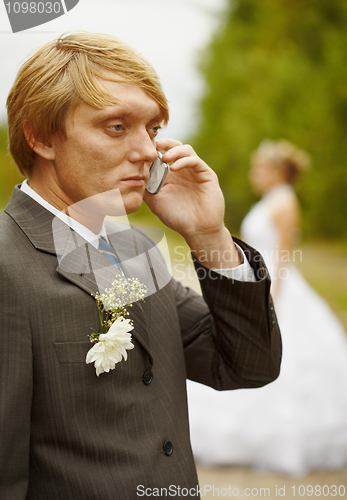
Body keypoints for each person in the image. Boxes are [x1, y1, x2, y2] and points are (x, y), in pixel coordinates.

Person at [0, 33, 281, 499]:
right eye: (116, 126)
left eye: (152, 129)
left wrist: (209, 235)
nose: (149, 152)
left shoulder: (133, 248)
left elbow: (247, 365)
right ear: (40, 136)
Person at [187, 139, 347, 476]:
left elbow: (284, 255)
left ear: (277, 171)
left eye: (260, 168)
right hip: (261, 278)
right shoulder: (271, 200)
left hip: (276, 284)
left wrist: (272, 297)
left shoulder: (286, 202)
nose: (254, 174)